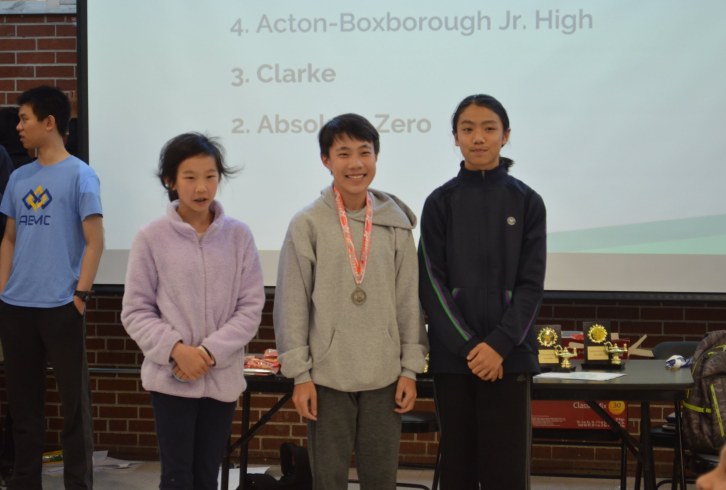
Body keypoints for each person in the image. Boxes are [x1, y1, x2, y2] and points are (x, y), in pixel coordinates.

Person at [274, 113, 429, 490]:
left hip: (385, 374)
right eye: (344, 154)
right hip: (327, 376)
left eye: (365, 152)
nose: (356, 163)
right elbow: (292, 303)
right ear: (326, 160)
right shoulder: (307, 223)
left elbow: (409, 300)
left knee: (381, 479)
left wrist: (410, 369)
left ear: (376, 156)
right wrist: (300, 376)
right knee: (328, 480)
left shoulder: (395, 223)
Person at [121, 132, 265, 490]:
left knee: (206, 477)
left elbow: (250, 308)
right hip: (171, 379)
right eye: (190, 177)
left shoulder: (239, 236)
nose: (202, 187)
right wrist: (176, 350)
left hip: (221, 378)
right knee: (176, 477)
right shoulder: (151, 237)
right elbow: (136, 310)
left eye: (210, 176)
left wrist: (208, 353)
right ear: (170, 180)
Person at [418, 94, 547, 489]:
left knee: (506, 472)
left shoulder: (527, 202)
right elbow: (430, 282)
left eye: (489, 129)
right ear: (455, 137)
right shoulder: (440, 202)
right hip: (454, 359)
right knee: (458, 469)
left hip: (510, 357)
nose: (478, 138)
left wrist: (499, 345)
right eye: (468, 129)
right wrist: (470, 346)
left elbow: (531, 284)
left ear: (505, 136)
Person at [0, 85, 104, 490]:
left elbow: (95, 241)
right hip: (16, 307)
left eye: (24, 118)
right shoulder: (19, 177)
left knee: (74, 407)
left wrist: (80, 295)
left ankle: (78, 484)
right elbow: (9, 238)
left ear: (49, 122)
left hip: (62, 306)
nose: (18, 126)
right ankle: (25, 481)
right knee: (23, 407)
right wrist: (4, 290)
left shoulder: (81, 174)